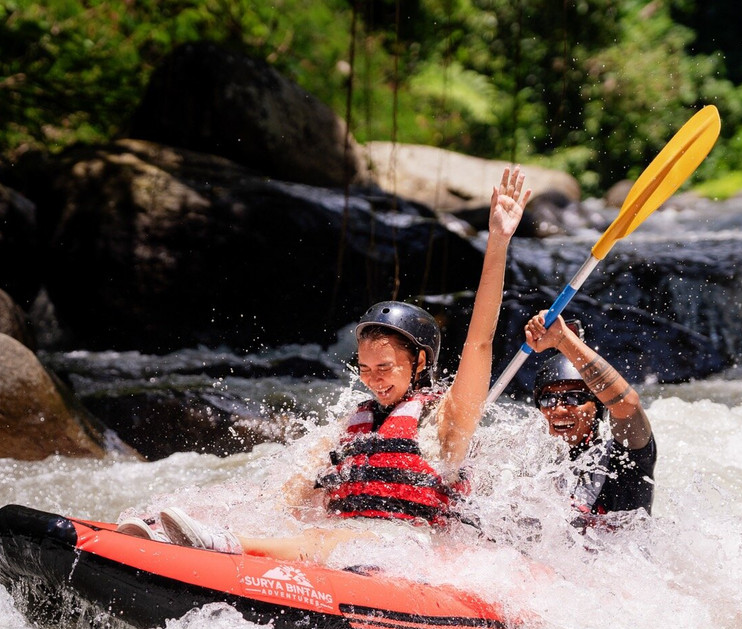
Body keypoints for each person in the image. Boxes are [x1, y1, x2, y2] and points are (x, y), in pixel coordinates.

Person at [118, 166, 531, 561]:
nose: (374, 381)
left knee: (323, 538)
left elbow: (479, 342)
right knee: (285, 517)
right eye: (365, 370)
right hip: (341, 547)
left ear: (420, 360)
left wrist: (497, 241)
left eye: (384, 368)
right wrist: (233, 511)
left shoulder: (447, 421)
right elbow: (287, 494)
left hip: (409, 552)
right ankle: (184, 534)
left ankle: (221, 545)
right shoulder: (353, 424)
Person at [524, 314, 656, 517]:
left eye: (574, 398)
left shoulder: (623, 461)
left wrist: (563, 339)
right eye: (548, 399)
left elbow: (627, 404)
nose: (559, 410)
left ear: (597, 407)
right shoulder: (534, 471)